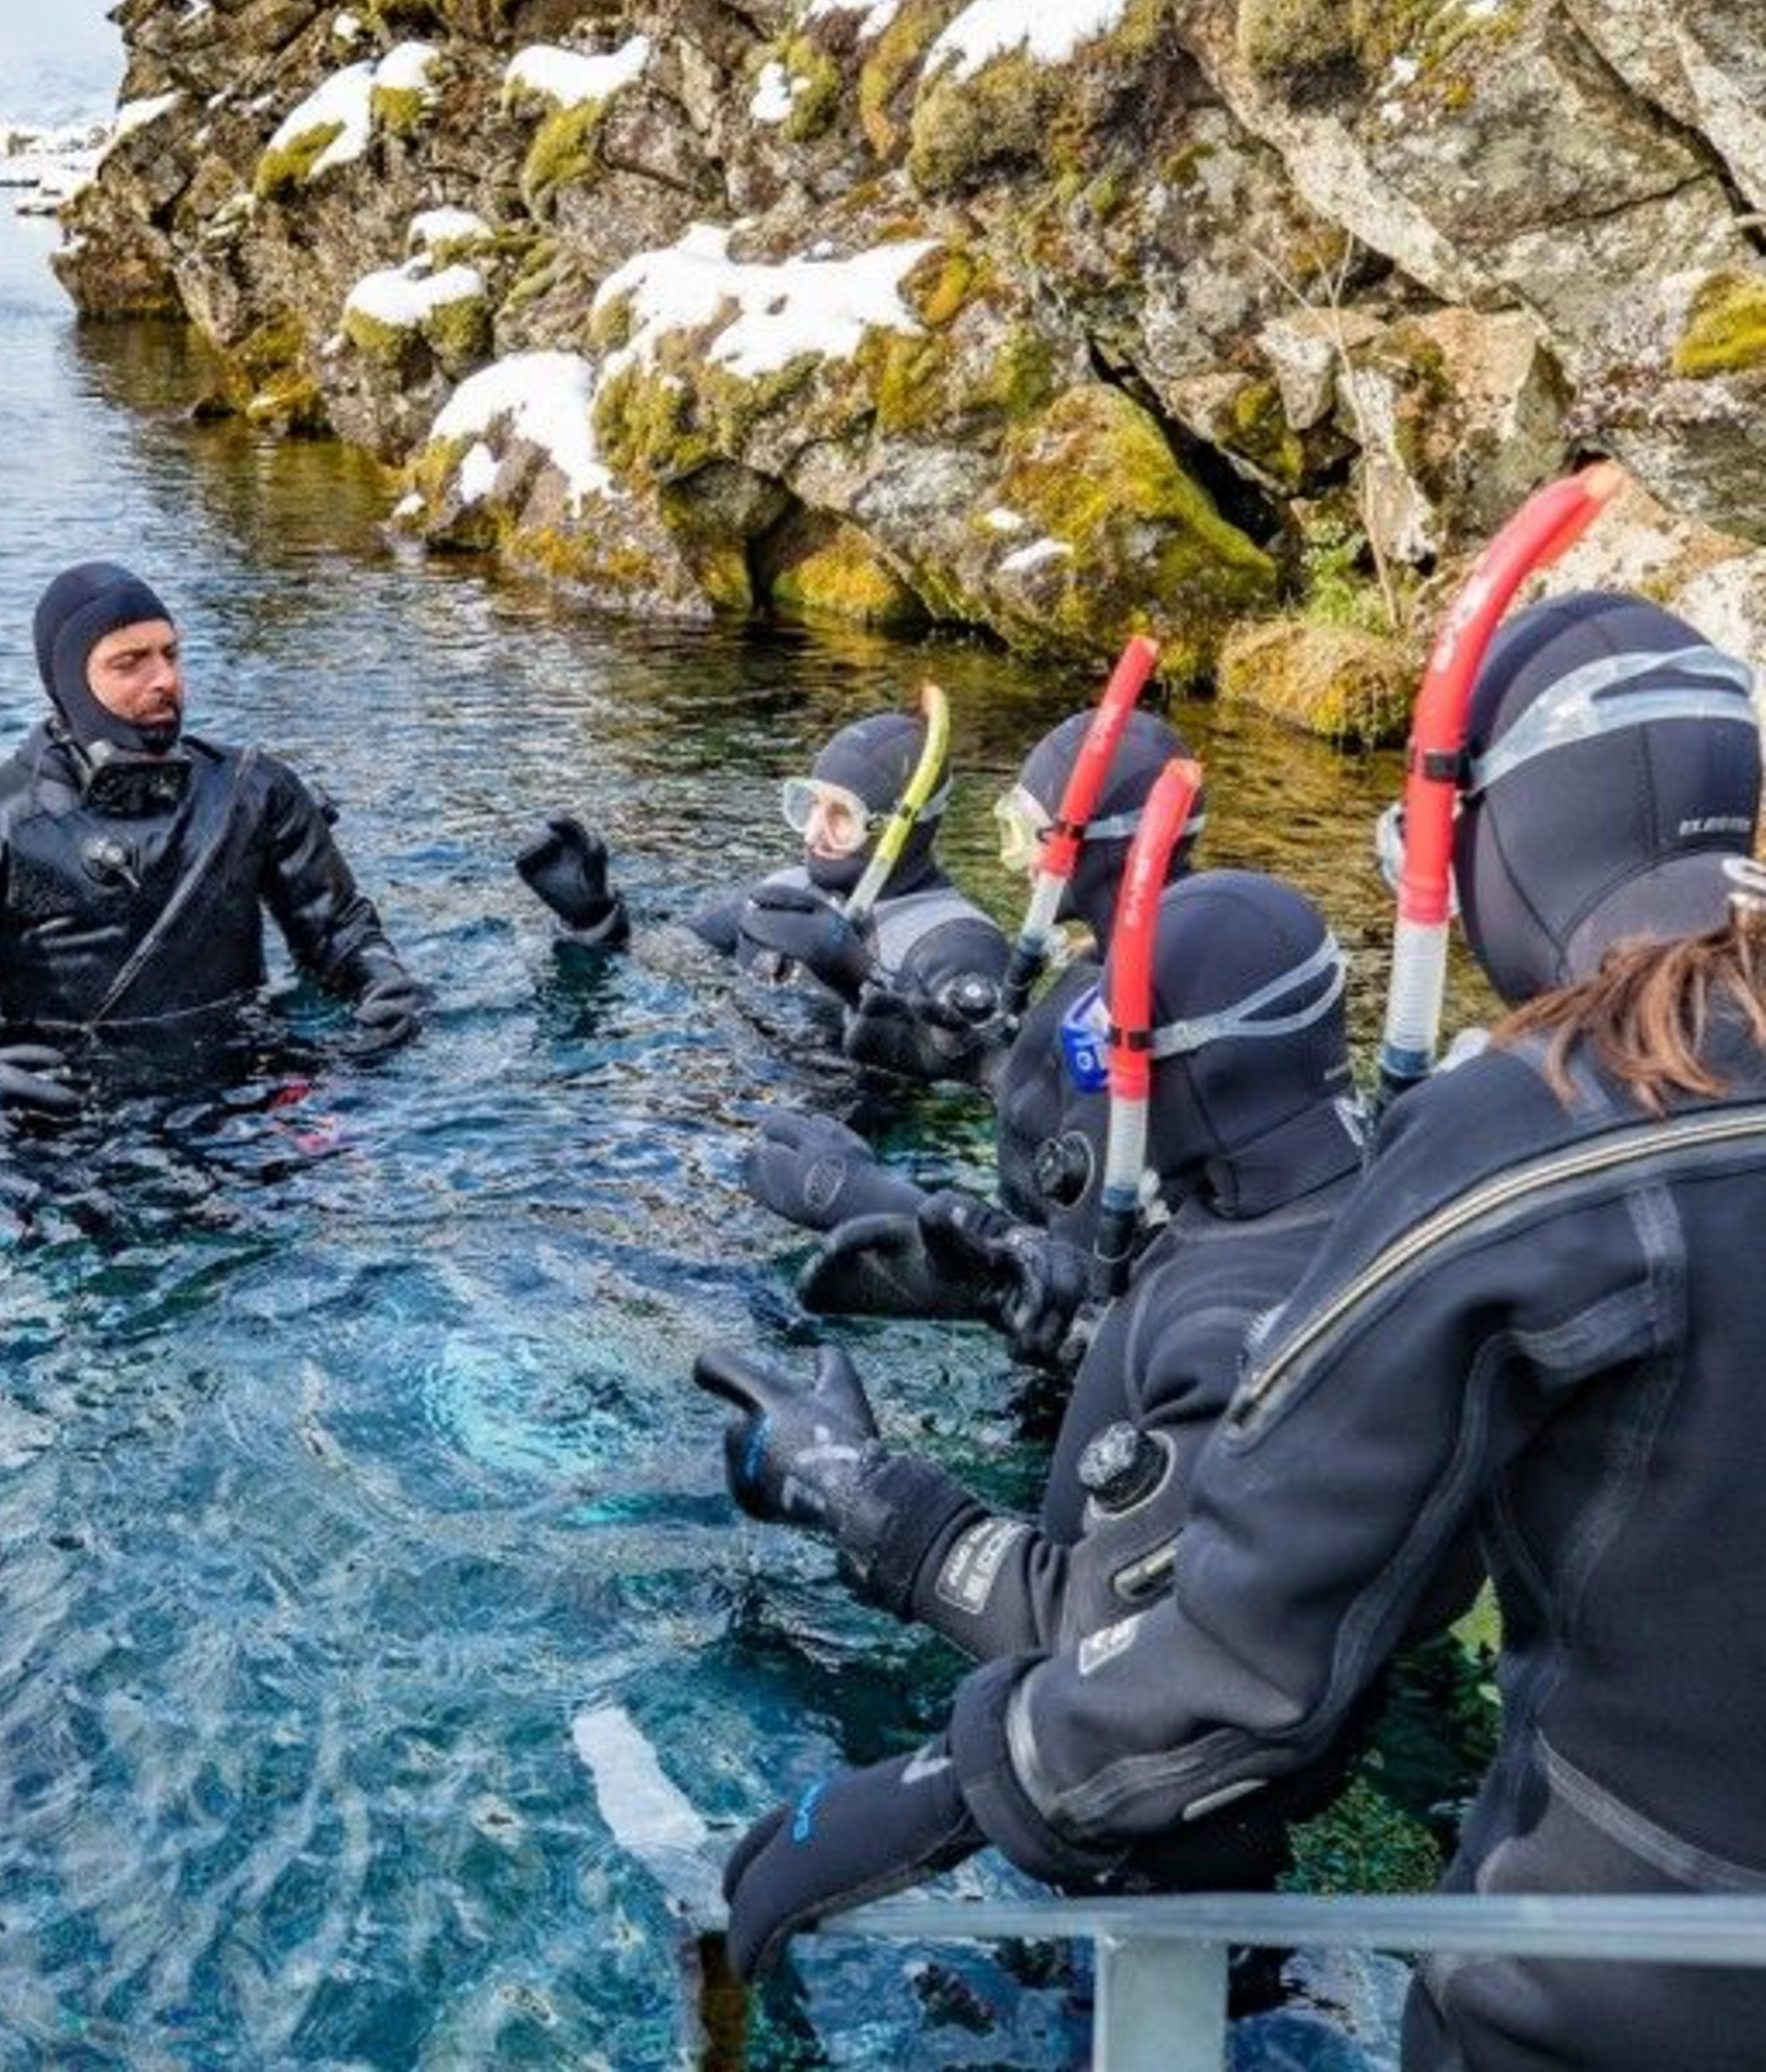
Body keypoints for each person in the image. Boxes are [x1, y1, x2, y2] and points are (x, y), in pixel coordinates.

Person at [718, 591, 1766, 2072]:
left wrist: (935, 1727)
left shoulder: (1525, 1142)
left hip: (1592, 1987)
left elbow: (1235, 1647)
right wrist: (973, 1263)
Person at [696, 871, 1370, 1710]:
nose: (1087, 1103)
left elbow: (1099, 1640)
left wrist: (847, 1486)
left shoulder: (1235, 1316)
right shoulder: (1308, 1208)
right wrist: (1013, 1295)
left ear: (1197, 1064)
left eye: (1103, 1063)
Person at [0, 560, 423, 1115]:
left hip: (250, 1092)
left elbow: (342, 934)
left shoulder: (254, 790)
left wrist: (384, 985)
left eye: (171, 654)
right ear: (71, 681)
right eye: (130, 663)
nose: (165, 679)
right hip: (65, 1119)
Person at [739, 709, 1202, 1331]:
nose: (1018, 860)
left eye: (1027, 830)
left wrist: (869, 1197)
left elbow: (1091, 1286)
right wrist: (972, 1059)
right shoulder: (1103, 975)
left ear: (1098, 844)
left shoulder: (1158, 995)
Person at [515, 707, 1007, 1077]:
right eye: (810, 805)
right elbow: (665, 956)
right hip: (729, 1097)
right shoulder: (784, 890)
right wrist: (594, 918)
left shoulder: (956, 942)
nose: (813, 833)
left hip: (848, 1146)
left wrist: (855, 977)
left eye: (841, 817)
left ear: (901, 829)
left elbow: (978, 1068)